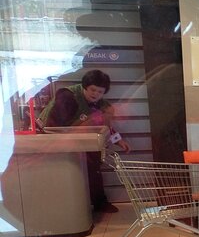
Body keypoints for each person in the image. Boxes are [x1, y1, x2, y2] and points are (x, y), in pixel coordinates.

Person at [37, 68, 131, 212]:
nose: (96, 94)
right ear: (85, 86)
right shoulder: (67, 97)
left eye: (100, 92)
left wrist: (119, 141)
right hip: (53, 138)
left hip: (80, 140)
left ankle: (99, 203)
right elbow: (54, 125)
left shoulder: (101, 105)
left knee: (94, 165)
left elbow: (106, 126)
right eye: (93, 90)